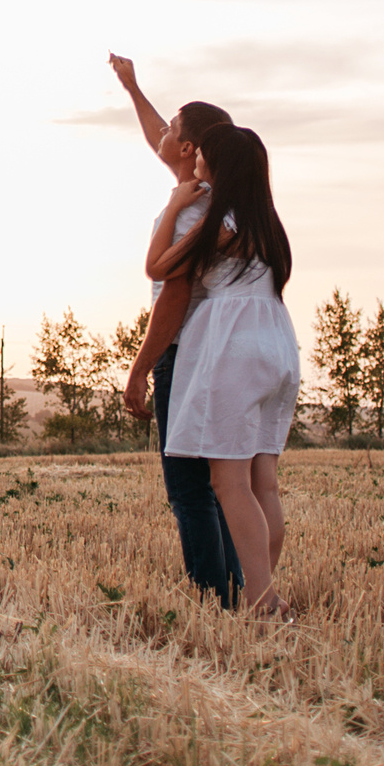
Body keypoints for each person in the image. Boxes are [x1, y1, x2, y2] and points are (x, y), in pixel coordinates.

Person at [149, 122, 301, 618]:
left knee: (227, 483)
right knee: (264, 483)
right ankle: (266, 590)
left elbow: (159, 268)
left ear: (221, 166)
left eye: (206, 155)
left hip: (233, 345)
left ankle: (260, 600)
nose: (198, 160)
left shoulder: (217, 223)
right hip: (276, 341)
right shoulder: (266, 225)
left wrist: (174, 205)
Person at [107, 54, 242, 608]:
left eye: (173, 131)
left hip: (184, 352)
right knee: (215, 487)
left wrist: (140, 368)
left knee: (189, 490)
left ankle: (218, 603)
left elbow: (175, 293)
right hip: (214, 351)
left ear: (189, 150)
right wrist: (133, 87)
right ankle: (236, 594)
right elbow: (155, 134)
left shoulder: (191, 211)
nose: (162, 133)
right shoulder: (203, 195)